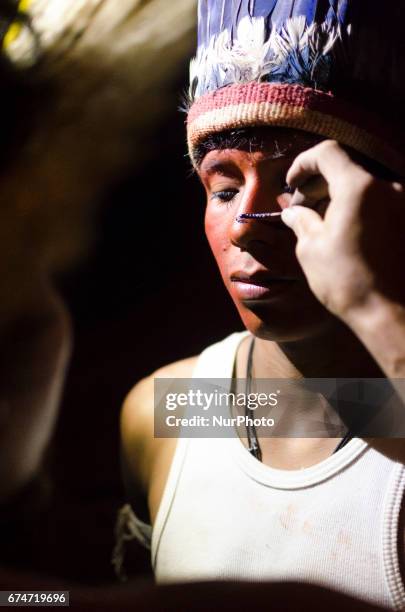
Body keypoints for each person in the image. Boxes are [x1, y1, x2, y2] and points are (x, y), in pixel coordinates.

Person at [119, 0, 405, 608]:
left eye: (304, 188)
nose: (248, 224)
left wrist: (373, 308)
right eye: (224, 188)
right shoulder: (169, 412)